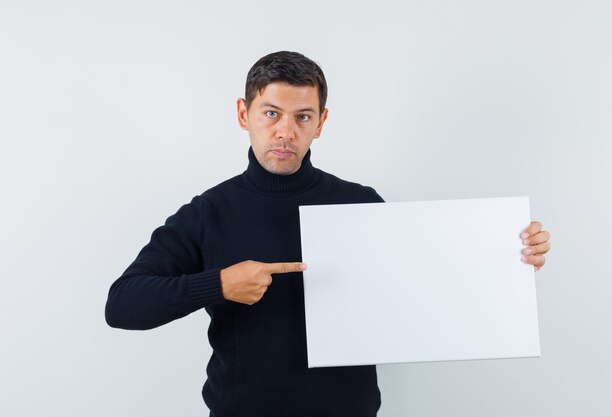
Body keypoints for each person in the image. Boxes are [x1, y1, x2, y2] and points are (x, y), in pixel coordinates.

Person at [105, 50, 551, 417]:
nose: (286, 131)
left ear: (321, 122)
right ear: (244, 114)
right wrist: (218, 284)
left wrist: (509, 254)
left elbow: (425, 286)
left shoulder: (360, 204)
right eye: (271, 113)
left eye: (302, 116)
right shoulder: (207, 212)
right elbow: (123, 304)